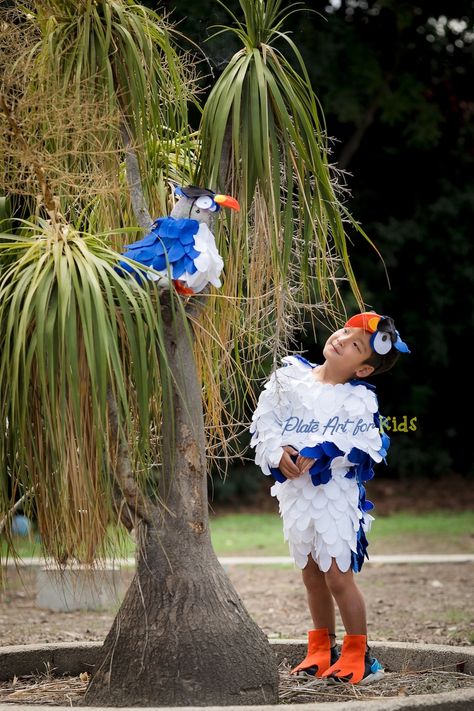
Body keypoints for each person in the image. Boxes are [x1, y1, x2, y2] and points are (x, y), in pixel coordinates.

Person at [250, 312, 410, 685]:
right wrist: (278, 452)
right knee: (311, 575)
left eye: (355, 345)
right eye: (346, 332)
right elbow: (264, 424)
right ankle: (322, 649)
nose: (341, 339)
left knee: (338, 576)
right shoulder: (288, 376)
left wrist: (325, 450)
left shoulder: (358, 398)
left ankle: (360, 654)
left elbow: (367, 443)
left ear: (364, 370)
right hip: (297, 495)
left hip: (334, 495)